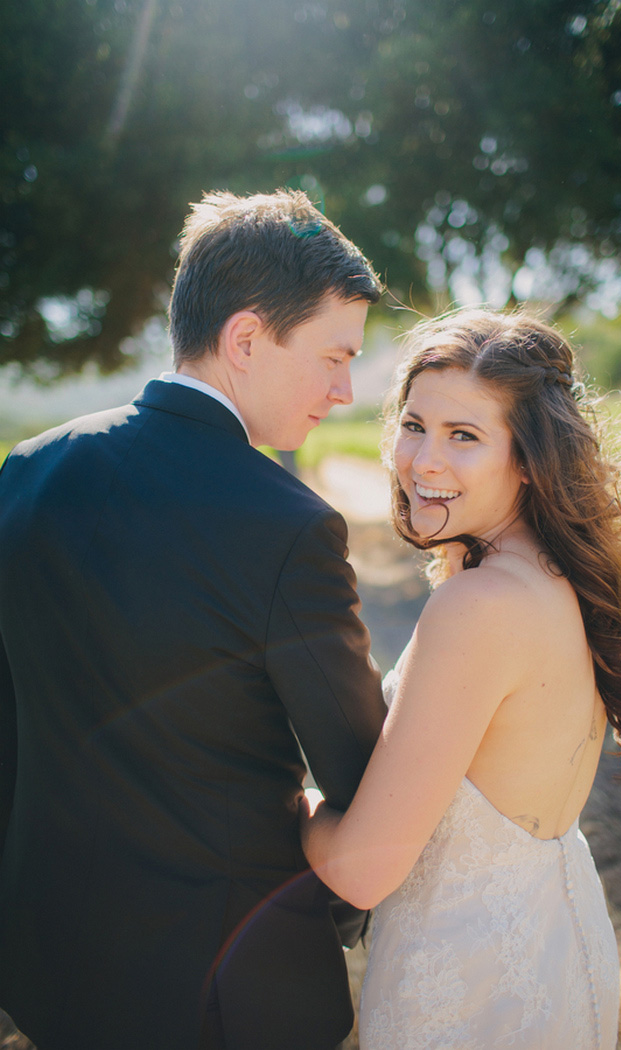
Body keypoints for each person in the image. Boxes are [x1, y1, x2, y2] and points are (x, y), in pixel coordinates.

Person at [0, 189, 387, 1050]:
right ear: (246, 338)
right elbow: (364, 779)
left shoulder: (24, 473)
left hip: (48, 962)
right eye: (333, 355)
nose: (346, 389)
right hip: (223, 991)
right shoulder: (290, 528)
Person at [301, 309, 621, 1049]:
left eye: (463, 436)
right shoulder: (558, 579)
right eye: (414, 425)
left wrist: (277, 803)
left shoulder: (478, 607)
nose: (421, 461)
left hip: (467, 990)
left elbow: (361, 872)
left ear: (529, 458)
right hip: (555, 952)